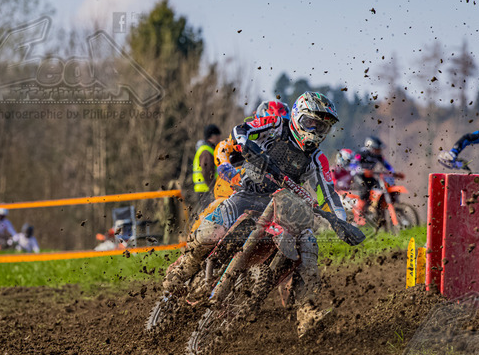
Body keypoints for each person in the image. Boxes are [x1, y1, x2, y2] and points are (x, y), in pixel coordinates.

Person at [163, 91, 345, 337]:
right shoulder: (276, 125)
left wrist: (342, 222)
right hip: (249, 192)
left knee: (309, 243)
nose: (314, 131)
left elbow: (329, 194)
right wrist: (245, 144)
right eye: (310, 123)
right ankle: (184, 267)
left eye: (321, 126)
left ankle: (306, 311)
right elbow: (242, 130)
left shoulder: (317, 158)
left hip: (282, 205)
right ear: (297, 116)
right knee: (211, 230)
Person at [350, 136, 400, 224]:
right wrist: (362, 170)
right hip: (359, 176)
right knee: (364, 192)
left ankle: (376, 209)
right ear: (370, 147)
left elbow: (387, 165)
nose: (379, 151)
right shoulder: (361, 153)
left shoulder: (378, 156)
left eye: (379, 149)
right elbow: (353, 165)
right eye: (377, 149)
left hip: (370, 176)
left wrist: (393, 173)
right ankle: (359, 215)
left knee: (380, 188)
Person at [192, 124, 223, 209]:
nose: (219, 138)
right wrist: (213, 188)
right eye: (218, 135)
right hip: (206, 191)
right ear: (212, 136)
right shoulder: (206, 151)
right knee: (210, 213)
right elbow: (206, 172)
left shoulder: (205, 149)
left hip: (204, 190)